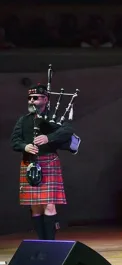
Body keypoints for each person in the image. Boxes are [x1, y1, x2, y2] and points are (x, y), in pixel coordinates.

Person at [10, 83, 73, 240]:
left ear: (45, 99)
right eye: (30, 98)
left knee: (49, 205)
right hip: (29, 163)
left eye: (36, 98)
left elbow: (67, 131)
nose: (32, 101)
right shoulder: (23, 121)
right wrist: (25, 146)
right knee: (35, 208)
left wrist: (48, 138)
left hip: (49, 162)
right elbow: (15, 141)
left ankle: (50, 243)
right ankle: (41, 241)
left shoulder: (54, 118)